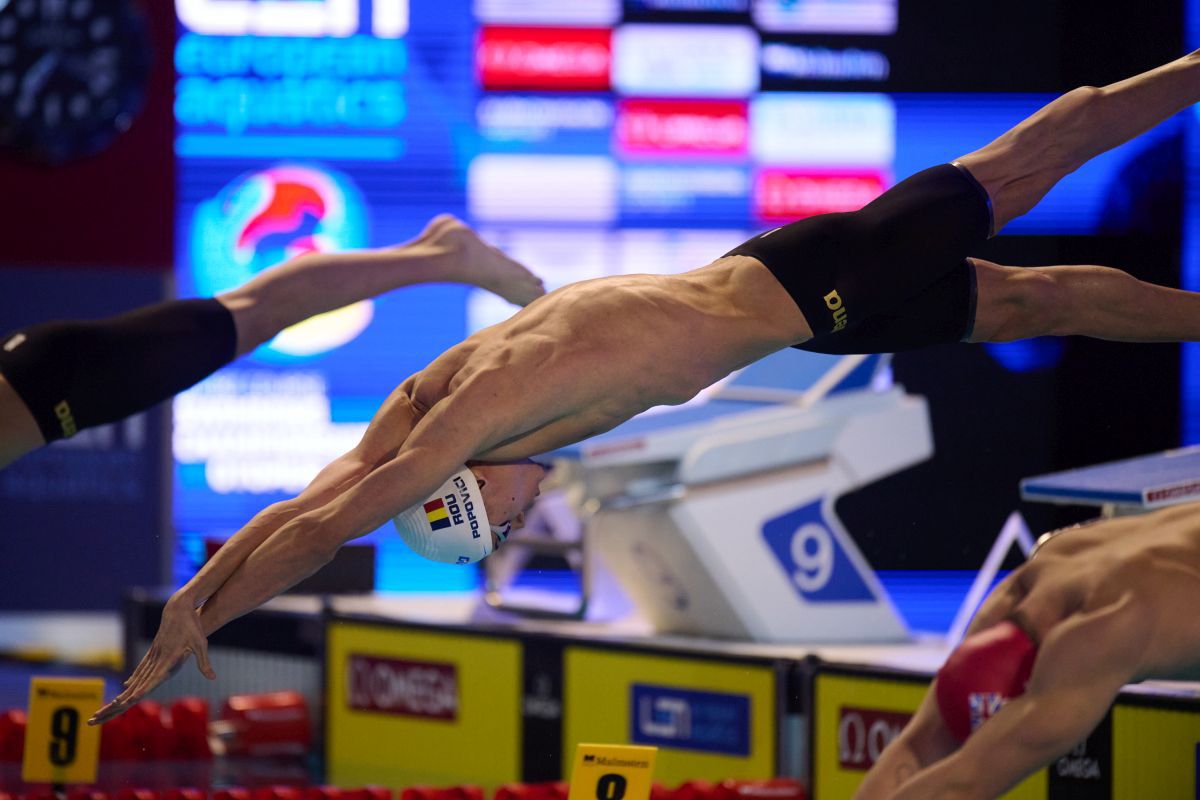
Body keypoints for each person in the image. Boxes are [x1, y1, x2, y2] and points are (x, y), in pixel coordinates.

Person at [92, 49, 1200, 723]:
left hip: (818, 287)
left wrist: (221, 603)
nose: (533, 512)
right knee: (1032, 298)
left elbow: (333, 521)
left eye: (506, 519)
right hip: (788, 292)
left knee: (1019, 168)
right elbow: (311, 498)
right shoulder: (433, 392)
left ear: (474, 490)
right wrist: (195, 599)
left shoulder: (474, 422)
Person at [0, 215, 545, 470]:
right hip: (41, 379)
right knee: (252, 311)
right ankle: (437, 253)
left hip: (49, 383)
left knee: (254, 314)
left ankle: (447, 258)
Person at [854, 503, 1200, 800]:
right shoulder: (1126, 619)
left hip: (1050, 568)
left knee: (922, 746)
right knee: (965, 784)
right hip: (1115, 618)